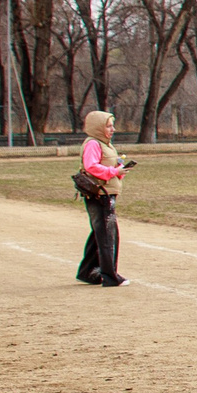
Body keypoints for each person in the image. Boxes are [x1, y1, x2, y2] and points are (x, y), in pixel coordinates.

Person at [75, 109, 128, 285]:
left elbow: (105, 166)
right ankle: (109, 276)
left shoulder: (104, 143)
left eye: (112, 125)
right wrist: (113, 171)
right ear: (97, 127)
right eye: (108, 126)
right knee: (108, 235)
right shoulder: (93, 143)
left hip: (106, 192)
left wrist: (118, 171)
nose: (112, 129)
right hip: (99, 194)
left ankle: (87, 271)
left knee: (100, 233)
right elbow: (91, 167)